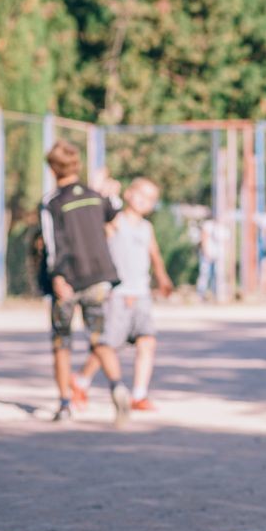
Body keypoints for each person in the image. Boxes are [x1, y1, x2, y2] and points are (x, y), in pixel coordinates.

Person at [38, 141, 131, 426]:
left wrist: (56, 276)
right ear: (77, 165)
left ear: (53, 168)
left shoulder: (52, 202)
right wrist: (108, 191)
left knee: (62, 342)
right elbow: (115, 214)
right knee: (98, 338)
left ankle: (65, 404)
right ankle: (117, 387)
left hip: (68, 278)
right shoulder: (95, 196)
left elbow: (52, 245)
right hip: (99, 277)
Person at [71, 178, 173, 412]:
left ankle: (139, 394)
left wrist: (163, 278)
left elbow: (154, 254)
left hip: (142, 293)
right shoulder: (116, 221)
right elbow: (97, 222)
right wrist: (102, 191)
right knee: (109, 345)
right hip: (118, 293)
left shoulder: (147, 228)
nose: (143, 200)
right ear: (128, 194)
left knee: (147, 341)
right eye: (140, 194)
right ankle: (81, 380)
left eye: (150, 198)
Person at [196, 216, 220, 301]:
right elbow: (203, 238)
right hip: (207, 255)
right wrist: (206, 252)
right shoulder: (208, 225)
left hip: (216, 256)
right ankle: (200, 295)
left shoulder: (219, 226)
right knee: (205, 275)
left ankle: (215, 295)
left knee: (215, 275)